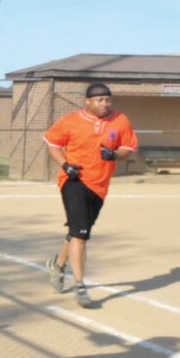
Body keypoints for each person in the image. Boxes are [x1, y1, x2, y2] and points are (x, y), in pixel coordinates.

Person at [43, 82, 138, 307]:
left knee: (77, 232)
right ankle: (80, 285)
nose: (105, 104)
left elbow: (128, 148)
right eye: (99, 100)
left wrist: (115, 154)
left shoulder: (120, 120)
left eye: (108, 100)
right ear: (88, 102)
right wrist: (65, 165)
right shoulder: (71, 121)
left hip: (99, 186)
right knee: (81, 236)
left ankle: (58, 265)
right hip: (74, 181)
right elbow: (52, 143)